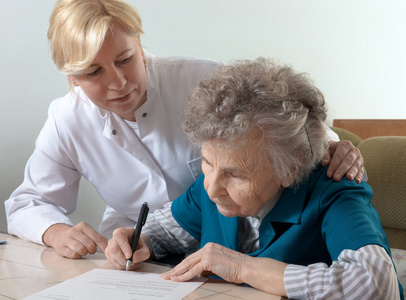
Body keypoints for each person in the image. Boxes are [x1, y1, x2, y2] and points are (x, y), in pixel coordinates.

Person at [5, 0, 363, 260]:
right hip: (138, 250)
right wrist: (55, 232)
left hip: (228, 242)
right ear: (72, 77)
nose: (118, 82)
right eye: (94, 72)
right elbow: (26, 203)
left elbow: (283, 130)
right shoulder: (66, 119)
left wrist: (336, 146)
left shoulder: (203, 79)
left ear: (140, 44)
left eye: (125, 59)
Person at [105, 58, 403, 299]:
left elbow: (375, 284)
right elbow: (163, 231)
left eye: (235, 174)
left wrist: (242, 268)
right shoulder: (211, 184)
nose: (212, 188)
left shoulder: (335, 191)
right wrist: (138, 239)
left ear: (288, 168)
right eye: (207, 162)